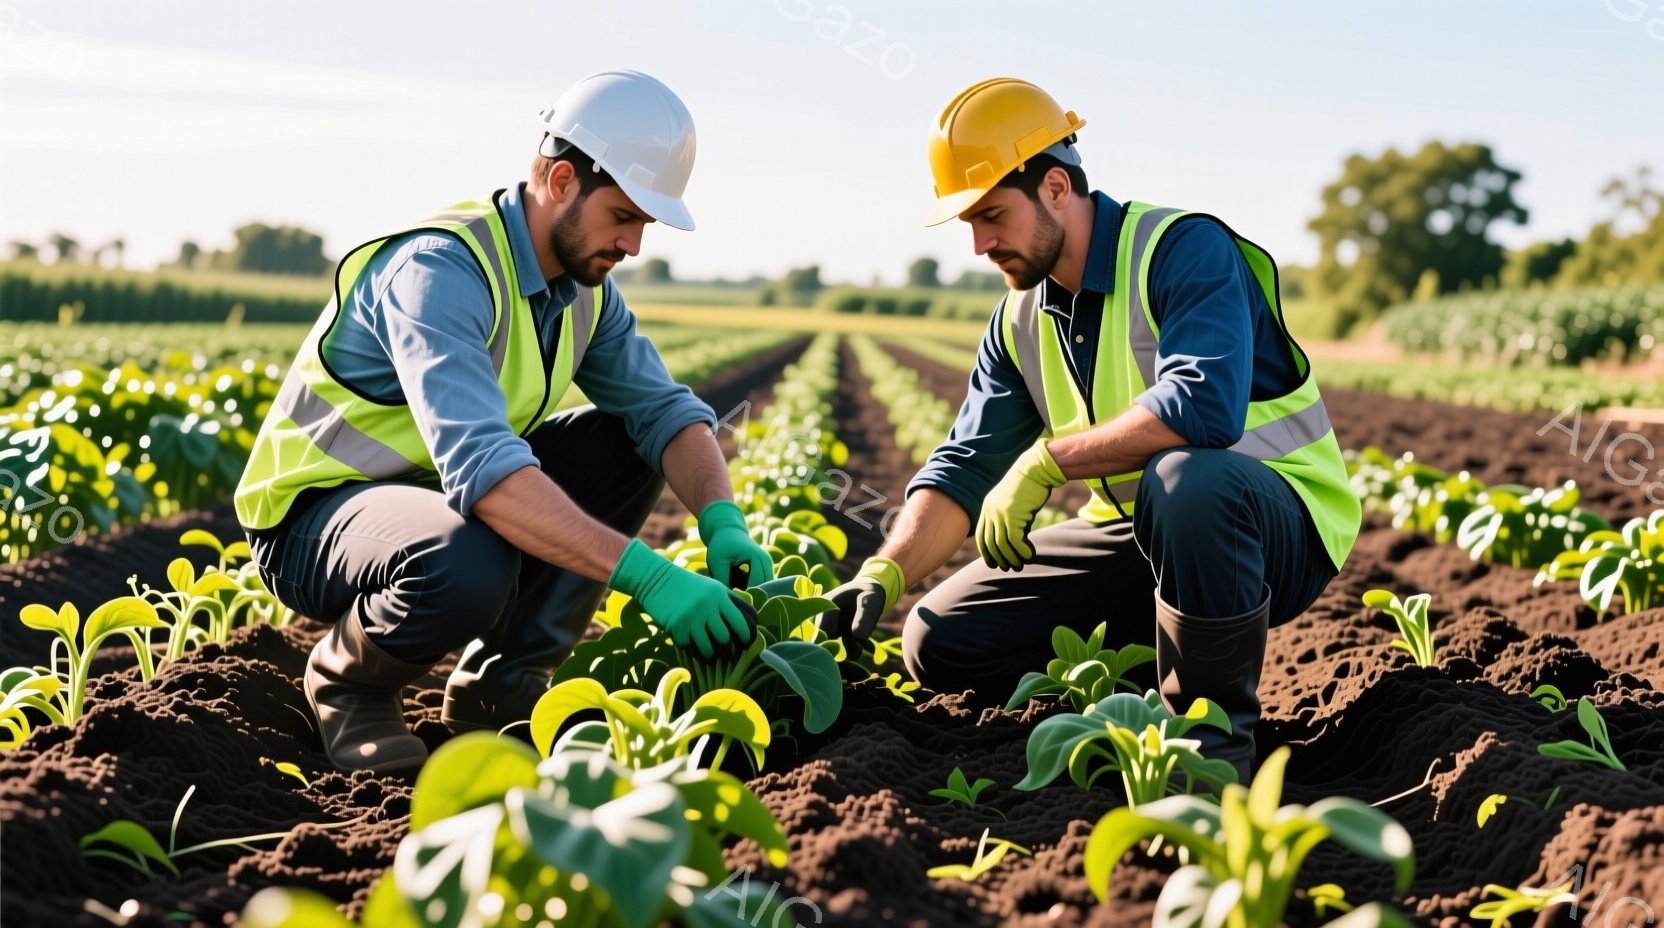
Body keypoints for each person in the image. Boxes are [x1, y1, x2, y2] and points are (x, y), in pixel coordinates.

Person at [818, 77, 1360, 782]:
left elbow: (1204, 408)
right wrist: (884, 575)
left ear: (1052, 187)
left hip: (1269, 527)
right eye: (968, 225)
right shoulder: (1018, 318)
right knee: (939, 639)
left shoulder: (1181, 249)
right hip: (1141, 534)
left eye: (991, 215)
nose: (980, 243)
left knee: (1186, 479)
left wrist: (1046, 462)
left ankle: (1211, 755)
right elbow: (964, 468)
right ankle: (1131, 710)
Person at [233, 70, 772, 774]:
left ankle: (500, 687)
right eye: (625, 216)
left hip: (428, 501)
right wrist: (649, 578)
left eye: (645, 224)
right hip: (312, 517)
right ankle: (349, 683)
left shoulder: (584, 292)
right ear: (559, 182)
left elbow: (664, 412)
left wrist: (722, 520)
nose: (635, 245)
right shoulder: (441, 271)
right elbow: (484, 473)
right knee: (466, 560)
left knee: (628, 444)